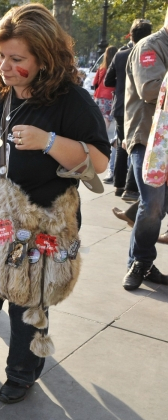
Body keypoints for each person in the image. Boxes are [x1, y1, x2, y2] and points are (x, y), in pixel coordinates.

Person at [0, 4, 110, 404]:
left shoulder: (71, 101)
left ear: (45, 58)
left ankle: (21, 373)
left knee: (28, 300)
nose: (5, 67)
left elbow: (99, 161)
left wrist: (47, 142)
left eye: (18, 59)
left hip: (37, 225)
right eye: (1, 56)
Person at [122, 7, 168, 290]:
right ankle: (140, 262)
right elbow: (150, 90)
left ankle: (140, 260)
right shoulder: (148, 47)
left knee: (158, 207)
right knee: (153, 205)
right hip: (149, 140)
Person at [104, 20, 152, 196]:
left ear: (130, 35)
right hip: (140, 108)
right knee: (138, 145)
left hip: (120, 107)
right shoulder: (149, 55)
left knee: (122, 145)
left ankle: (119, 185)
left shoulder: (121, 55)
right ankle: (131, 187)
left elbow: (107, 81)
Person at [93, 45, 118, 130]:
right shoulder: (117, 68)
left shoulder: (101, 68)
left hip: (99, 96)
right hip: (111, 96)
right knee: (108, 119)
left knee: (98, 118)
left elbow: (95, 82)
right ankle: (105, 135)